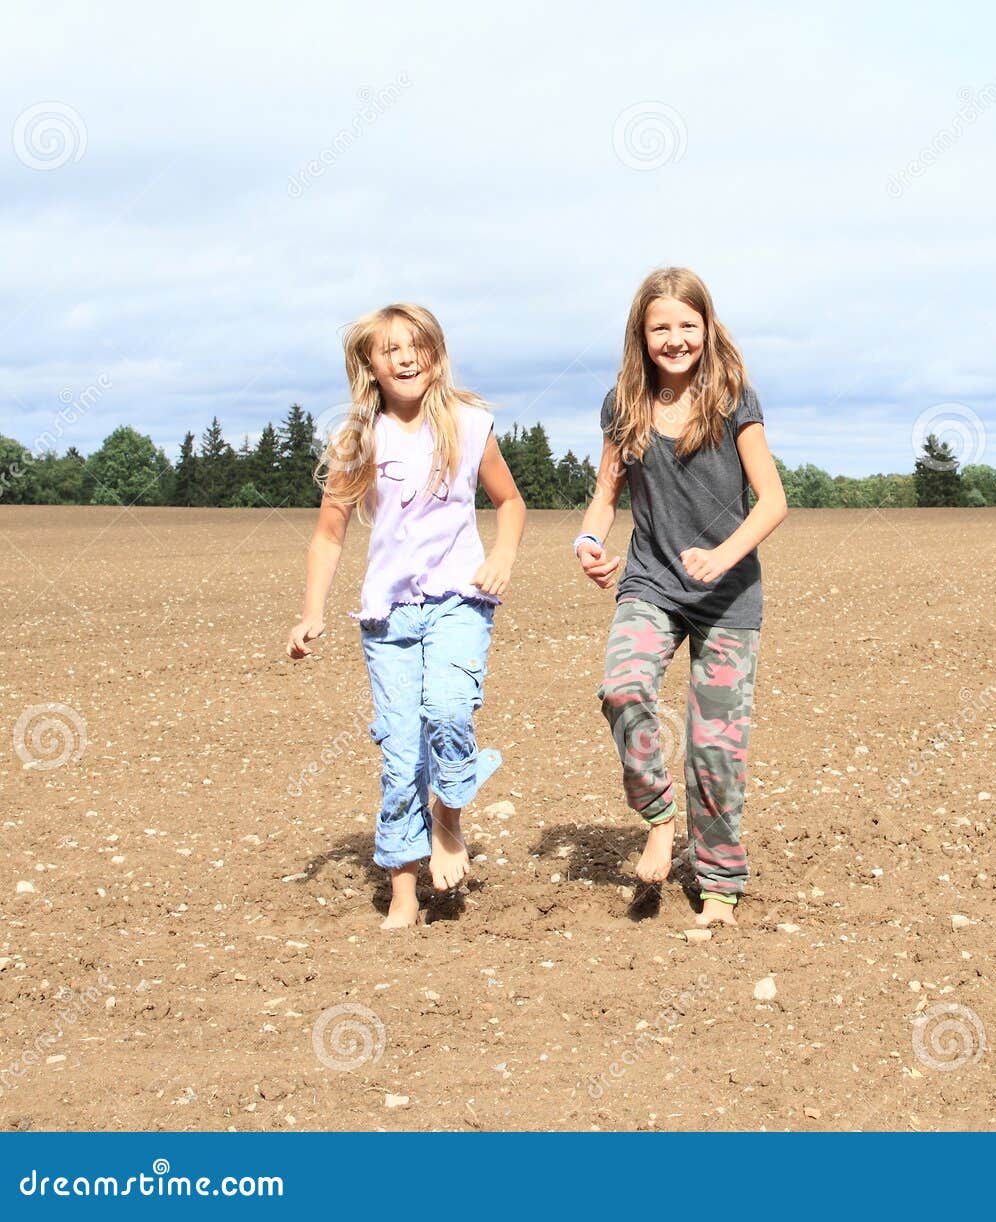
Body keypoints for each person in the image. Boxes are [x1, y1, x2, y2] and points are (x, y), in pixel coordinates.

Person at [286, 303, 525, 929]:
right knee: (400, 753)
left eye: (416, 344)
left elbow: (510, 501)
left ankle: (448, 816)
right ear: (369, 364)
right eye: (389, 348)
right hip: (387, 616)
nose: (404, 356)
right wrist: (311, 612)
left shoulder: (469, 426)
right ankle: (402, 892)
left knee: (448, 711)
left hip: (459, 600)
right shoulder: (358, 441)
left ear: (436, 353)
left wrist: (501, 554)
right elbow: (329, 535)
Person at [575, 267, 787, 930]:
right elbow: (606, 496)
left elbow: (774, 500)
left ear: (707, 326)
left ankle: (719, 884)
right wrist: (588, 538)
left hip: (728, 596)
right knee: (621, 688)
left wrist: (724, 556)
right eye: (660, 326)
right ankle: (660, 816)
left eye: (686, 325)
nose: (674, 339)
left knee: (714, 747)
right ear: (641, 333)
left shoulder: (732, 398)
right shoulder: (624, 406)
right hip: (651, 582)